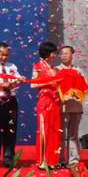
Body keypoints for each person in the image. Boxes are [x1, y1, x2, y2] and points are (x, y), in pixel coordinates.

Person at [31, 41, 60, 169]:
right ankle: (42, 161)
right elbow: (33, 85)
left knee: (53, 130)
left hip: (54, 101)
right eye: (53, 53)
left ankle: (52, 161)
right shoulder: (38, 66)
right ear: (47, 52)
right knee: (44, 129)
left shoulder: (53, 69)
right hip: (44, 100)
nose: (54, 55)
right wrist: (48, 82)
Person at [56, 45, 86, 168]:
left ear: (72, 55)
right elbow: (54, 87)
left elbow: (84, 87)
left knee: (73, 135)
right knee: (61, 134)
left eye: (66, 53)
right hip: (62, 107)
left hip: (76, 106)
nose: (63, 56)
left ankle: (73, 160)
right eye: (62, 53)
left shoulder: (78, 71)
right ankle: (60, 159)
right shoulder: (56, 70)